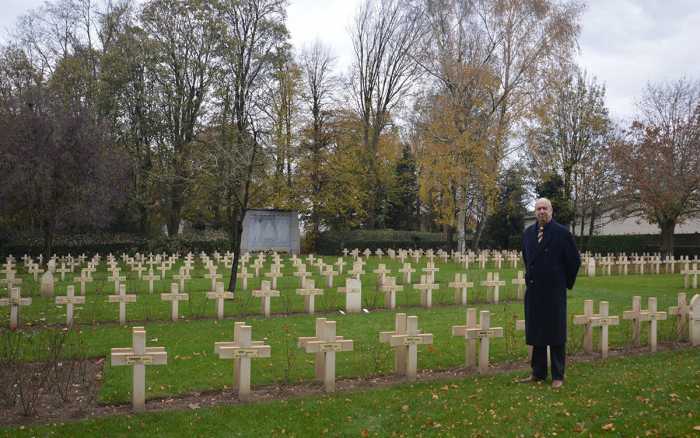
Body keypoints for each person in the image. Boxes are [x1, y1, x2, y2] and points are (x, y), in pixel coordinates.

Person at [520, 198, 581, 388]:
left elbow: (574, 261)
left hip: (554, 292)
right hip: (535, 291)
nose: (541, 211)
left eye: (545, 208)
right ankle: (537, 373)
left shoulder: (562, 233)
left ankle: (557, 375)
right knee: (537, 332)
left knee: (555, 334)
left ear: (551, 211)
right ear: (535, 212)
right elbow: (526, 257)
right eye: (538, 208)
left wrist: (563, 283)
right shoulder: (528, 233)